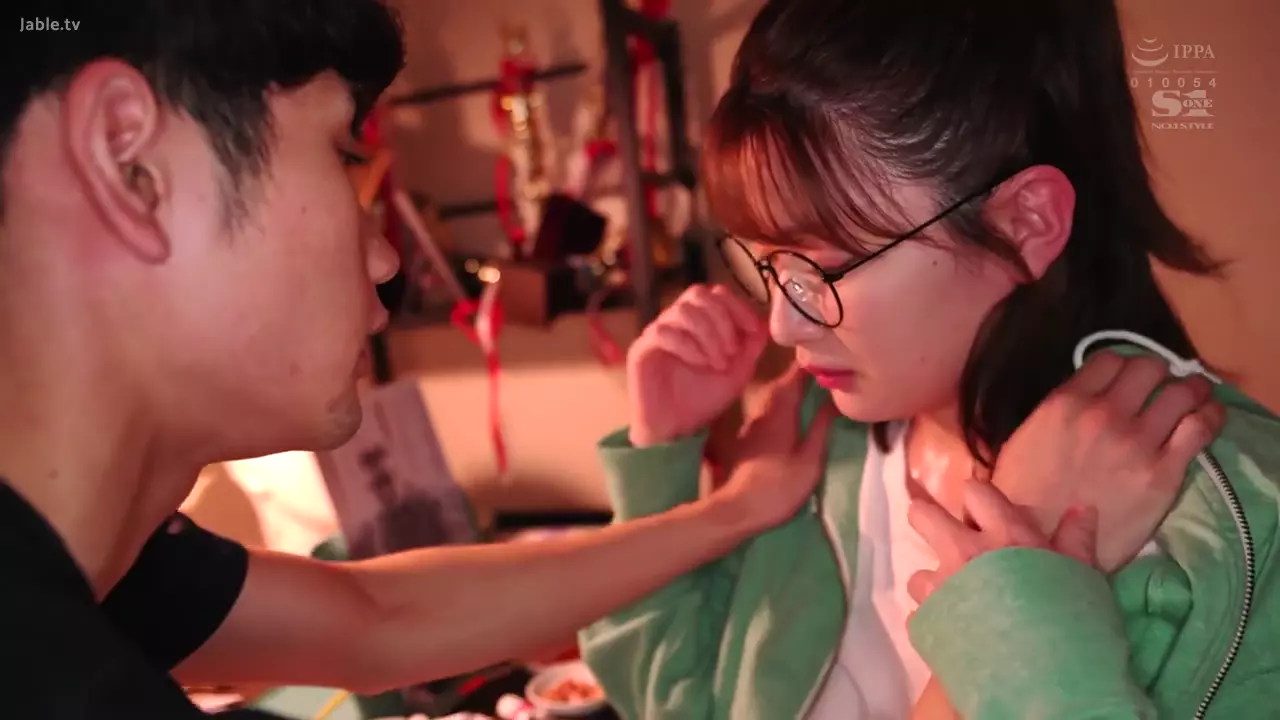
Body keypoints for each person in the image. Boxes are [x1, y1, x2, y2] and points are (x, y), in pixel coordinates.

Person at [0, 2, 846, 717]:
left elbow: (375, 620)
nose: (384, 259)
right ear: (128, 161)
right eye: (343, 154)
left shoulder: (102, 577)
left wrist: (731, 510)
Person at [578, 1, 1280, 718]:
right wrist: (662, 458)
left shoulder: (1237, 531)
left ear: (1026, 222)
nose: (784, 324)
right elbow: (676, 705)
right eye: (766, 265)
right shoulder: (811, 440)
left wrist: (1023, 606)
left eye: (825, 268)